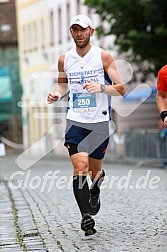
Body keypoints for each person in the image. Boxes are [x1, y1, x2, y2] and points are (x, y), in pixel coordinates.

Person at [47, 14, 125, 236]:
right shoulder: (65, 59)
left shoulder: (103, 57)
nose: (79, 34)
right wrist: (56, 94)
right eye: (75, 29)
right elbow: (63, 86)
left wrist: (100, 88)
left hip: (99, 122)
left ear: (91, 31)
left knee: (94, 172)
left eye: (83, 29)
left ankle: (96, 189)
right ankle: (86, 217)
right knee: (79, 167)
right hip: (76, 121)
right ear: (71, 32)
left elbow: (120, 88)